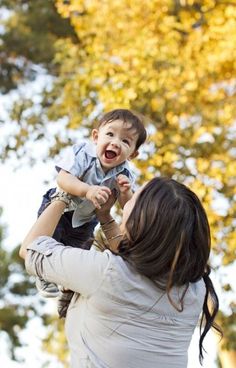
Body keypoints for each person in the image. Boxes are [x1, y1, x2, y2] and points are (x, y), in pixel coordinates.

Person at [20, 176, 222, 368]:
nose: (130, 197)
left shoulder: (103, 272)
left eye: (137, 196)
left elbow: (31, 249)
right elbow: (136, 271)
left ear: (144, 219)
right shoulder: (196, 290)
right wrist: (105, 218)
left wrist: (63, 194)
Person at [36, 108, 147, 299]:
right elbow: (63, 179)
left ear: (132, 154)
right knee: (48, 242)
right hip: (60, 210)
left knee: (78, 254)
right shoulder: (82, 153)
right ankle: (44, 273)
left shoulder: (125, 174)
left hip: (86, 221)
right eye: (110, 134)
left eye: (125, 141)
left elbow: (127, 207)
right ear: (96, 136)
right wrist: (87, 190)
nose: (115, 142)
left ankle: (69, 286)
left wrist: (126, 192)